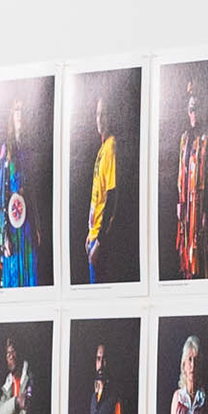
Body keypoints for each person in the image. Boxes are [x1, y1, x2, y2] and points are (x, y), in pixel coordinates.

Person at [0, 92, 39, 288]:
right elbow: (1, 196)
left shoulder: (27, 148)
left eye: (23, 110)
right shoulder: (6, 150)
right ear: (12, 114)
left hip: (27, 225)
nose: (21, 114)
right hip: (11, 225)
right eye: (17, 110)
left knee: (30, 273)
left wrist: (36, 225)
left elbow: (32, 191)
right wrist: (4, 236)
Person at [170, 86, 208, 279]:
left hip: (200, 204)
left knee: (201, 250)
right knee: (185, 247)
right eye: (190, 109)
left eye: (196, 108)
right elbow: (181, 169)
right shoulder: (184, 139)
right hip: (186, 203)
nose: (193, 112)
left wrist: (206, 210)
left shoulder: (207, 138)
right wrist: (180, 201)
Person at [83, 94, 121, 282]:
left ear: (110, 116)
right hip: (93, 236)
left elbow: (111, 196)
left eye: (103, 114)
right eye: (97, 114)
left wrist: (99, 241)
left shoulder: (111, 146)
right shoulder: (102, 149)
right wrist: (90, 234)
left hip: (100, 240)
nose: (100, 119)